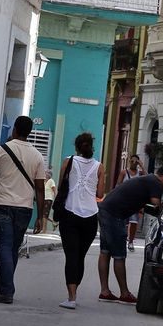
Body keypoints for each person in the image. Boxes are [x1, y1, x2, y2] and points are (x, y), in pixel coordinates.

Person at [0, 116, 46, 305]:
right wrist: (40, 216)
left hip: (3, 205)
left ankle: (6, 290)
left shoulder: (1, 150)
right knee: (12, 248)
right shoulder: (37, 156)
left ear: (15, 129)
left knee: (5, 246)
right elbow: (40, 188)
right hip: (25, 208)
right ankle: (4, 288)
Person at [97, 165, 163, 305]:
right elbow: (157, 207)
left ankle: (105, 291)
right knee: (119, 255)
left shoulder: (148, 180)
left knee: (105, 252)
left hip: (106, 209)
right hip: (114, 215)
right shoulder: (155, 183)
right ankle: (124, 293)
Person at [57, 132, 105, 310]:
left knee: (71, 256)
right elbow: (100, 194)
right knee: (80, 257)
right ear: (91, 147)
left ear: (76, 147)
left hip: (70, 213)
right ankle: (74, 293)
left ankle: (71, 297)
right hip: (90, 217)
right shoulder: (100, 167)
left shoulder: (68, 161)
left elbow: (61, 185)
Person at [117, 155, 146, 251]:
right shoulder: (124, 172)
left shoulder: (140, 173)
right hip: (124, 201)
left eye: (135, 161)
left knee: (134, 222)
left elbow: (148, 178)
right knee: (123, 222)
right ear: (129, 161)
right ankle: (122, 240)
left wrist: (141, 165)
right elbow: (118, 185)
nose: (133, 163)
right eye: (132, 161)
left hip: (135, 202)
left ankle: (131, 241)